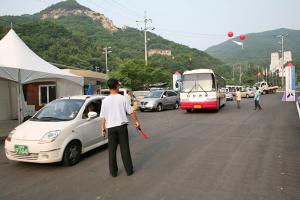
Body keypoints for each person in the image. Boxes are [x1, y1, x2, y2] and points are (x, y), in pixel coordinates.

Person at [100, 78, 141, 177]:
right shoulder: (122, 98)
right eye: (119, 85)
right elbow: (131, 111)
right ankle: (129, 171)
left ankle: (113, 173)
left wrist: (102, 129)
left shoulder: (105, 100)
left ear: (109, 87)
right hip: (122, 127)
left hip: (111, 128)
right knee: (124, 149)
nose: (119, 87)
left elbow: (102, 116)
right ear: (117, 86)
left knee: (112, 151)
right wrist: (136, 122)